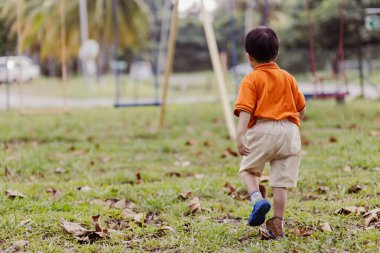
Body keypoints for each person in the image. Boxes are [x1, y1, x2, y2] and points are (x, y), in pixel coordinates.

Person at [234, 26, 306, 239]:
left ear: (249, 57)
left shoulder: (251, 79)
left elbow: (246, 108)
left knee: (248, 171)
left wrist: (240, 134)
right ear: (276, 53)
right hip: (290, 131)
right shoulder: (288, 77)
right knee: (280, 182)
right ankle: (278, 225)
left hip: (263, 131)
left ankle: (257, 200)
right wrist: (290, 127)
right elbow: (301, 108)